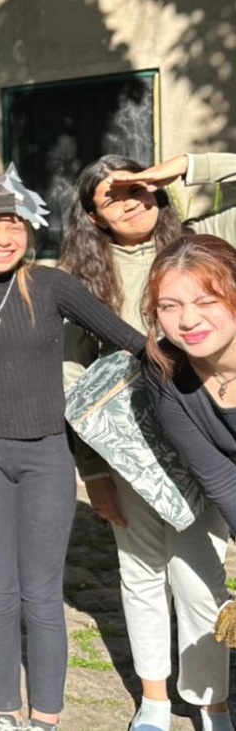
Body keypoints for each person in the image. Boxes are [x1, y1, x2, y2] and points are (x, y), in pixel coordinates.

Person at [0, 164, 146, 731]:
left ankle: (46, 717)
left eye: (14, 226)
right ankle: (6, 714)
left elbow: (127, 341)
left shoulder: (53, 287)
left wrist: (196, 365)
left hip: (49, 456)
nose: (3, 237)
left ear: (30, 230)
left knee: (43, 595)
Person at [61, 156, 232, 731]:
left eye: (141, 188)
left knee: (198, 573)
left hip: (204, 434)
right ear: (93, 214)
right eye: (115, 196)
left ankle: (212, 701)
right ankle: (155, 699)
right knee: (139, 570)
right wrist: (96, 471)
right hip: (130, 450)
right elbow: (73, 378)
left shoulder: (202, 246)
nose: (132, 200)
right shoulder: (79, 277)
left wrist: (184, 166)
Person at [143, 233, 236, 650]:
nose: (188, 321)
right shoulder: (166, 372)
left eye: (206, 301)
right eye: (170, 306)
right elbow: (222, 480)